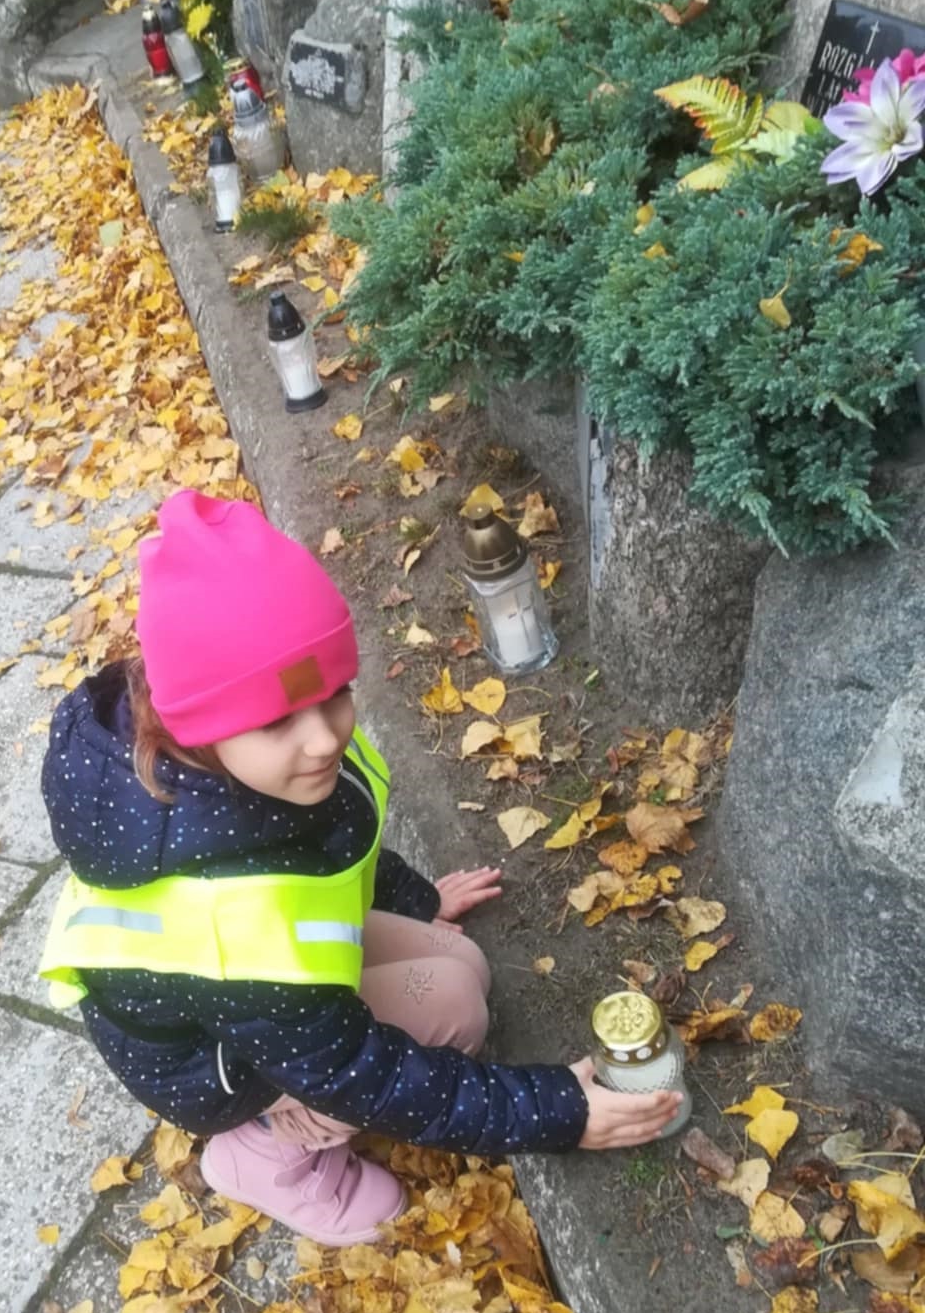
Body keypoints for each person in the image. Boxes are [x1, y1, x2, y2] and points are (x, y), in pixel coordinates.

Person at [40, 491, 682, 1246]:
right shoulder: (229, 929)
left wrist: (416, 899)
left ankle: (286, 1115)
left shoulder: (241, 766)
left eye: (336, 693)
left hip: (256, 984)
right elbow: (360, 1073)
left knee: (464, 961)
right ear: (198, 727)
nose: (324, 739)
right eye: (276, 719)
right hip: (215, 1061)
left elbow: (331, 842)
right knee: (459, 1008)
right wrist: (559, 1113)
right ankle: (264, 1155)